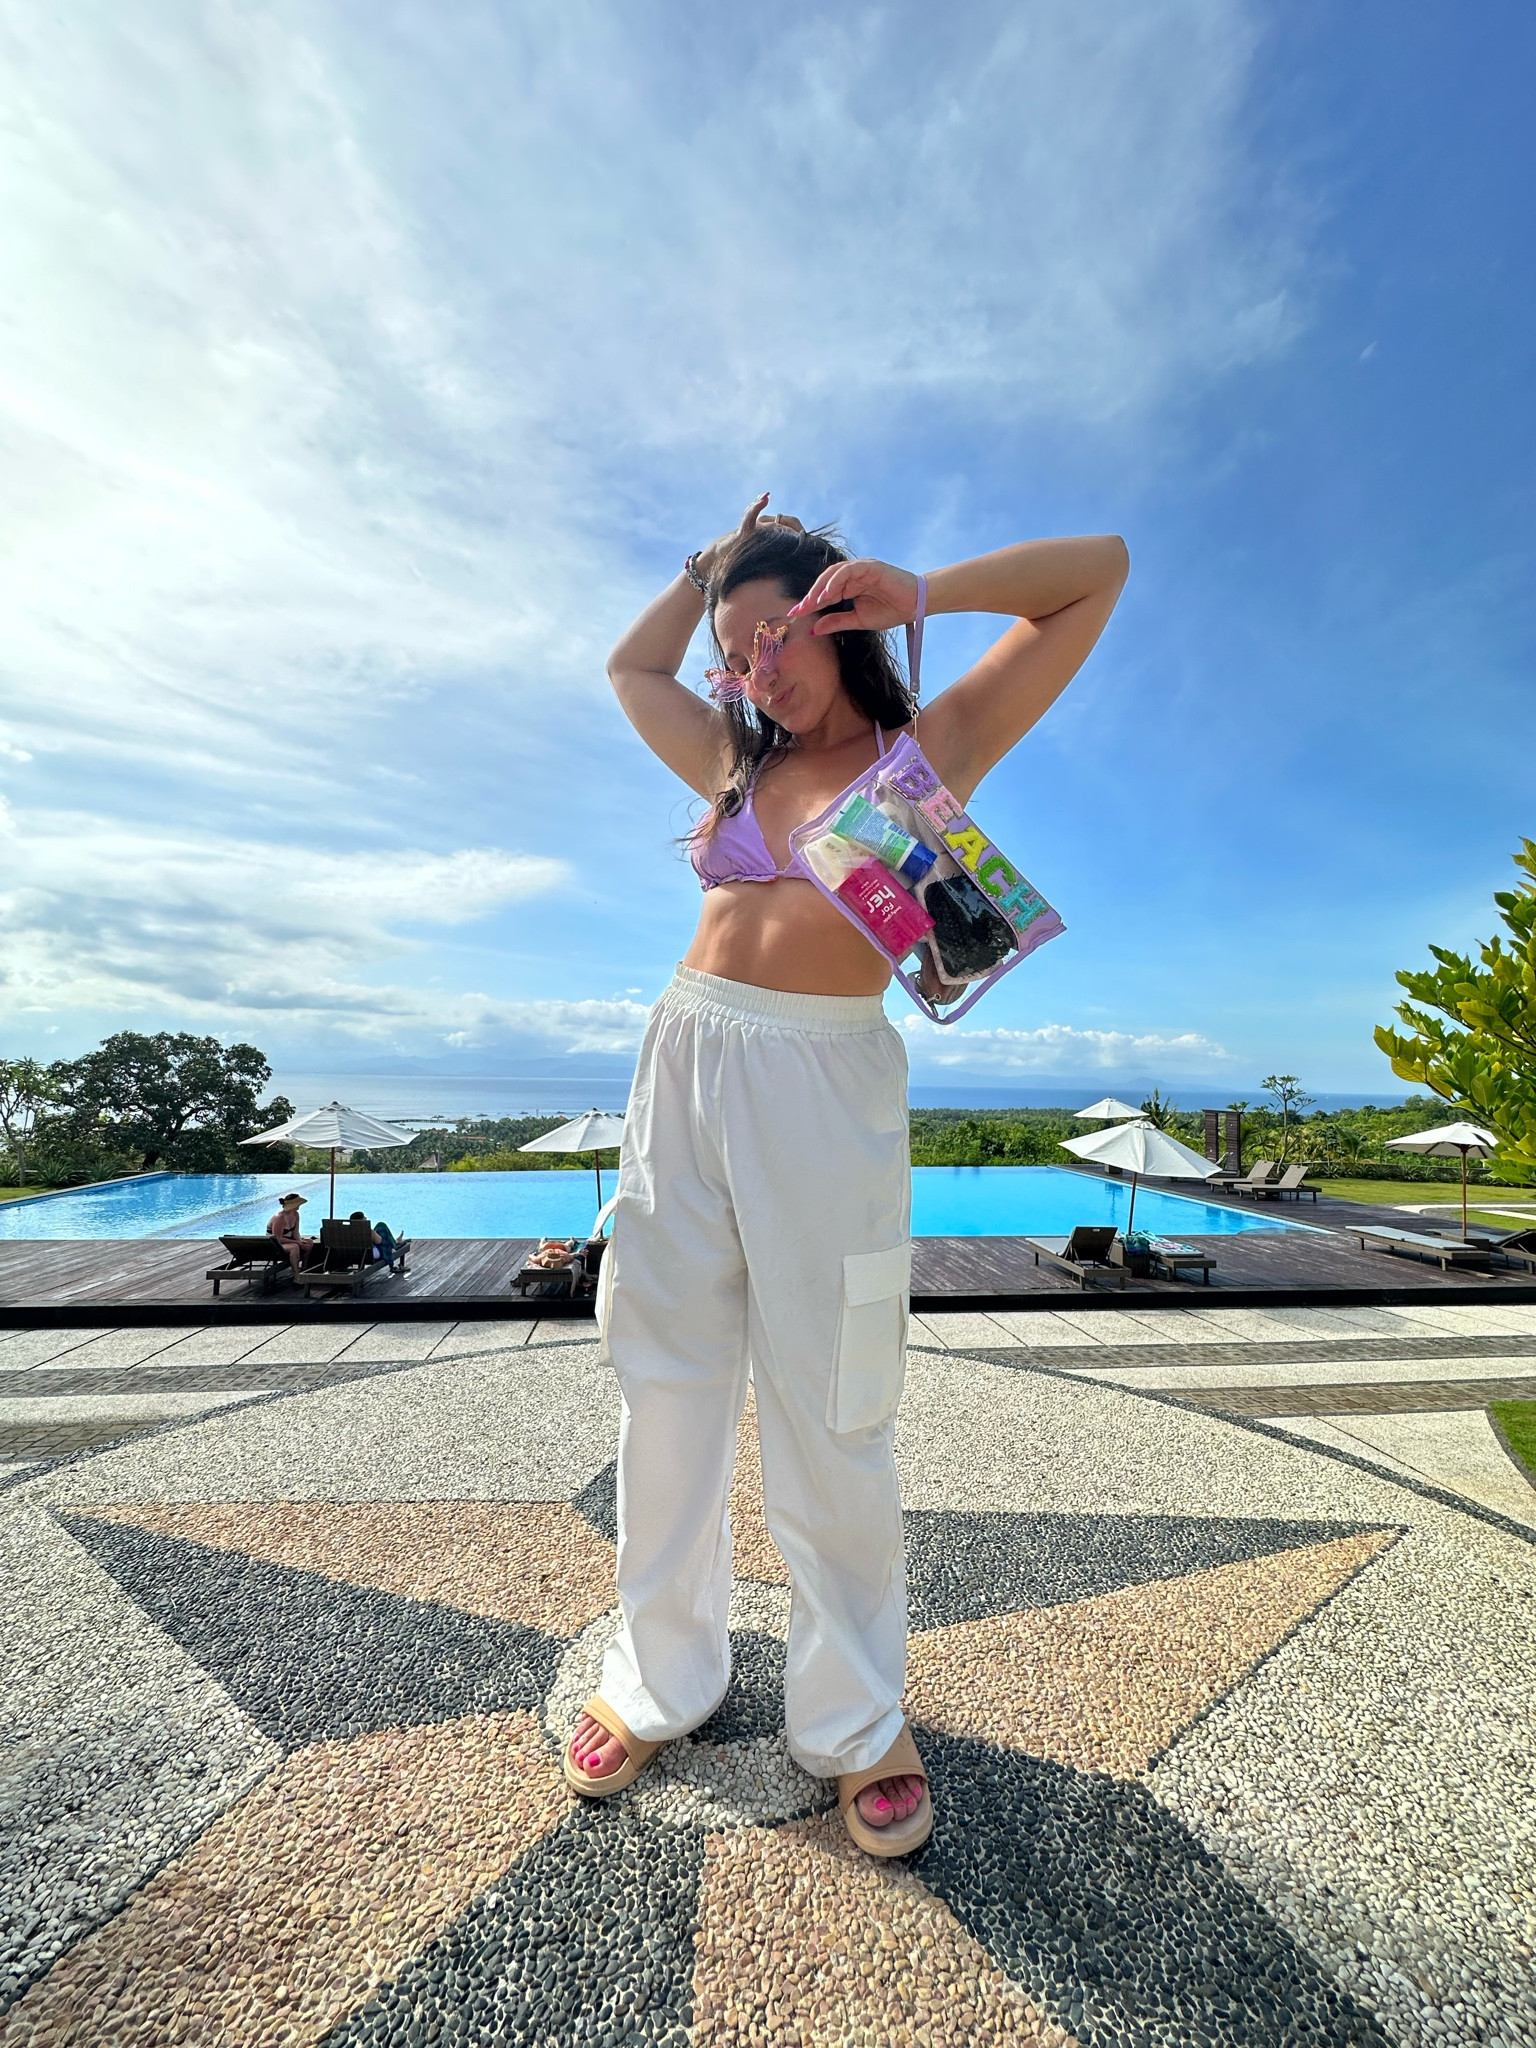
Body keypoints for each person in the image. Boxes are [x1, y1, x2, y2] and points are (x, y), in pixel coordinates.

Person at [569, 496, 1127, 1854]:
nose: (758, 668)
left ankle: (855, 1718)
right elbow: (628, 670)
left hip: (824, 1081)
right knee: (670, 1383)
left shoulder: (925, 751)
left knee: (836, 1403)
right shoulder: (725, 761)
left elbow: (1094, 574)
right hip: (685, 1060)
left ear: (837, 614)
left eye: (779, 631)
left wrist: (922, 586)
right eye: (736, 649)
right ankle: (662, 1675)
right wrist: (704, 571)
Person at [266, 1191, 314, 1277]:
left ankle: (304, 1268)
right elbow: (277, 1238)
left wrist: (300, 1241)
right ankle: (296, 1274)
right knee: (294, 1247)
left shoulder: (295, 1214)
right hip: (276, 1244)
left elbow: (295, 1233)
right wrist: (297, 1243)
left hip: (288, 1240)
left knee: (309, 1242)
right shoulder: (279, 1217)